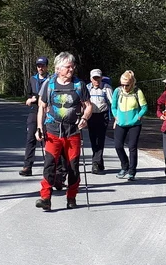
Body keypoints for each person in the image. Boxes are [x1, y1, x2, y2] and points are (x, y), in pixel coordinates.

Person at [35, 52, 94, 211]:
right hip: (53, 131)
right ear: (58, 68)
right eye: (68, 67)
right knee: (49, 165)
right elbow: (41, 107)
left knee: (73, 167)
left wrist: (85, 118)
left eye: (73, 66)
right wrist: (39, 128)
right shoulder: (49, 84)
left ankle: (71, 197)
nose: (71, 69)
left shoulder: (79, 85)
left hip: (73, 132)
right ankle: (45, 198)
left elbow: (88, 106)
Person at [111, 70, 148, 180]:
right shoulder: (117, 91)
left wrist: (138, 117)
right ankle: (124, 166)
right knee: (118, 146)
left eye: (126, 85)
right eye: (122, 84)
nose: (124, 87)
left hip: (134, 124)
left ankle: (132, 171)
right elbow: (113, 107)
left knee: (132, 147)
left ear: (131, 83)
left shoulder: (137, 91)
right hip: (120, 123)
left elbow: (144, 107)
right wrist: (116, 117)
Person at [20, 56, 52, 176]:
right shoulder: (32, 79)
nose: (40, 68)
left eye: (42, 66)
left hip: (48, 110)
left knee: (49, 139)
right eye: (38, 66)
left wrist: (36, 98)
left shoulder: (51, 80)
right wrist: (31, 99)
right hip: (34, 110)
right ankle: (27, 166)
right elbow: (28, 97)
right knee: (31, 138)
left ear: (46, 67)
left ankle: (50, 168)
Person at [85, 68, 114, 174]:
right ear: (91, 79)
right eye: (94, 78)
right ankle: (99, 162)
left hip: (103, 116)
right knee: (93, 139)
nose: (96, 80)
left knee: (100, 139)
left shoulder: (107, 88)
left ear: (101, 78)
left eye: (98, 78)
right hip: (91, 116)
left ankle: (95, 163)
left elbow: (112, 103)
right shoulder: (87, 88)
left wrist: (116, 117)